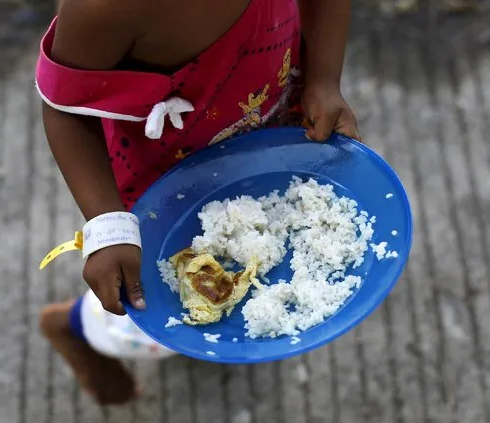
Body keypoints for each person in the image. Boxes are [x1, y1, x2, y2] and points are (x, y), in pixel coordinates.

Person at [36, 0, 361, 405]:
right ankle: (74, 326)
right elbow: (65, 108)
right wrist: (107, 225)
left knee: (249, 270)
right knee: (160, 310)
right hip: (170, 182)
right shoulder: (106, 8)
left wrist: (323, 80)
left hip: (271, 117)